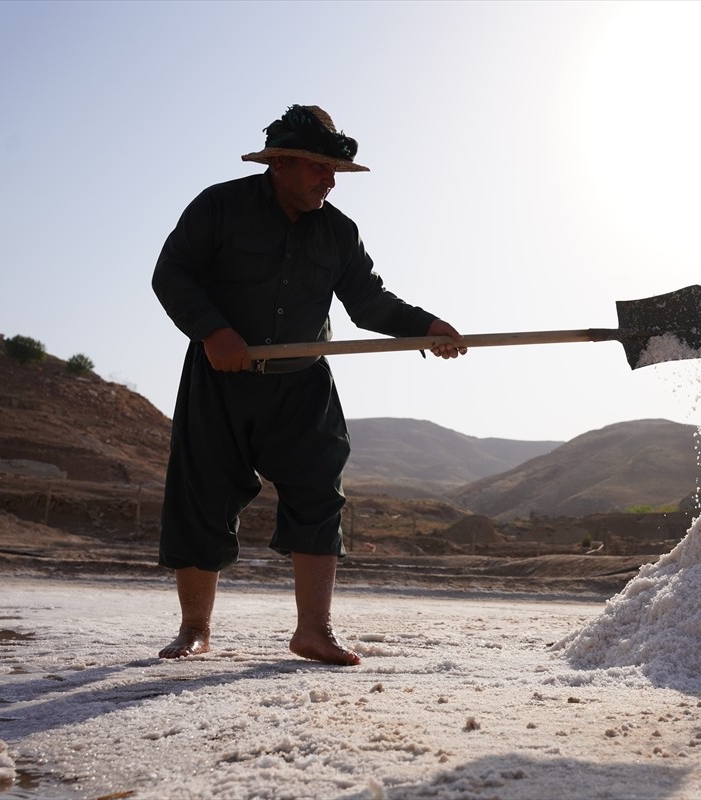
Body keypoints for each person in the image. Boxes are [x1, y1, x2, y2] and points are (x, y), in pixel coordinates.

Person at [152, 104, 466, 665]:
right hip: (220, 379)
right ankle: (194, 629)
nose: (329, 182)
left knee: (319, 496)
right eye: (320, 169)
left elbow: (368, 302)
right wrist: (213, 331)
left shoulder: (339, 232)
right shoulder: (219, 207)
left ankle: (313, 632)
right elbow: (170, 274)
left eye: (335, 173)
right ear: (282, 163)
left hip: (302, 387)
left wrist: (425, 326)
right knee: (201, 498)